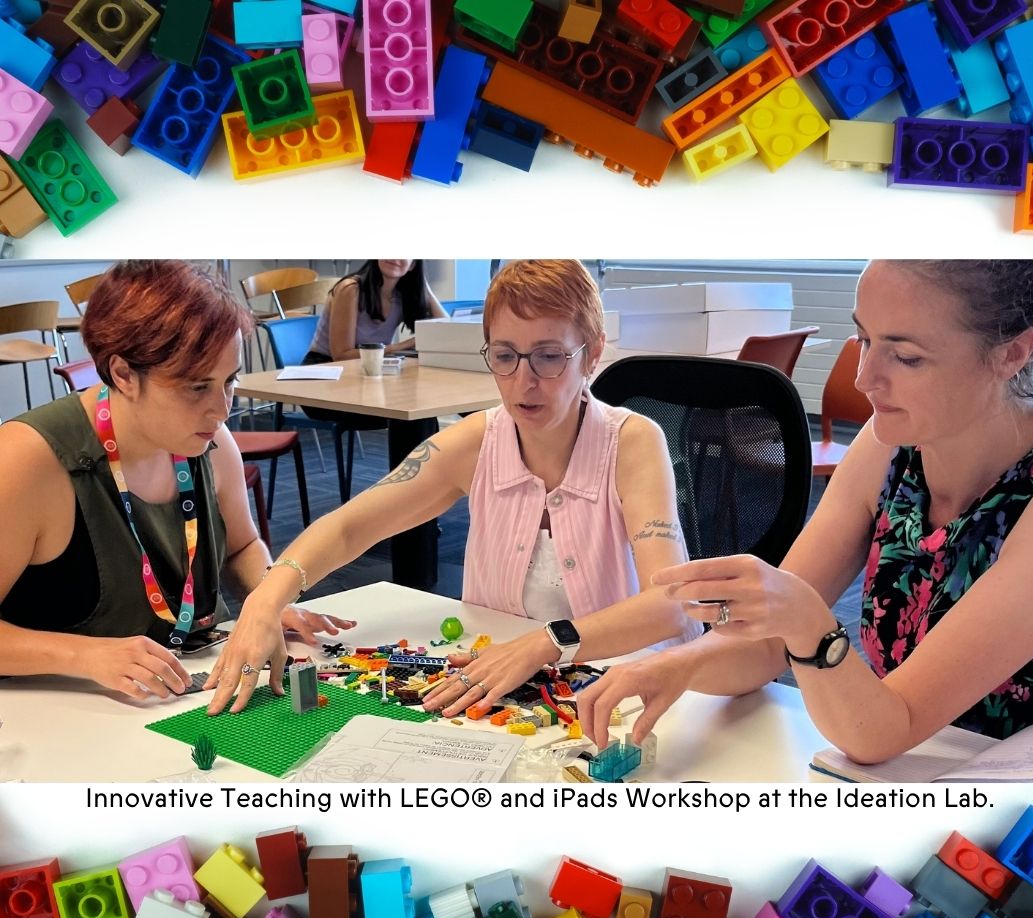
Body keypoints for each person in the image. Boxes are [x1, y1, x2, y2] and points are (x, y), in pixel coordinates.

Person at [579, 259, 1033, 764]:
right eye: (864, 340)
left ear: (1012, 353)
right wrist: (677, 664)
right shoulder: (892, 442)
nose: (864, 379)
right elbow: (764, 644)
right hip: (914, 760)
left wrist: (806, 621)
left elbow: (882, 731)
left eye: (905, 357)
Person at [206, 259, 700, 715]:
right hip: (499, 676)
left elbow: (675, 606)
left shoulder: (633, 442)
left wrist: (545, 642)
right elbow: (349, 528)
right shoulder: (475, 442)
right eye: (504, 356)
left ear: (590, 354)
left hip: (623, 685)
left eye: (549, 358)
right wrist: (263, 602)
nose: (523, 381)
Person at [0, 260, 354, 701]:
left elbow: (242, 546)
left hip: (179, 690)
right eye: (196, 387)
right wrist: (83, 656)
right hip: (60, 711)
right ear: (124, 374)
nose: (223, 410)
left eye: (230, 381)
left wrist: (268, 601)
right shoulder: (27, 458)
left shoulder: (211, 440)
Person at [305, 259, 447, 364]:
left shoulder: (402, 296)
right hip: (325, 368)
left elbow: (447, 328)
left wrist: (424, 286)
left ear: (413, 265)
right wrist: (400, 346)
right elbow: (341, 355)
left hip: (367, 366)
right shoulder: (351, 289)